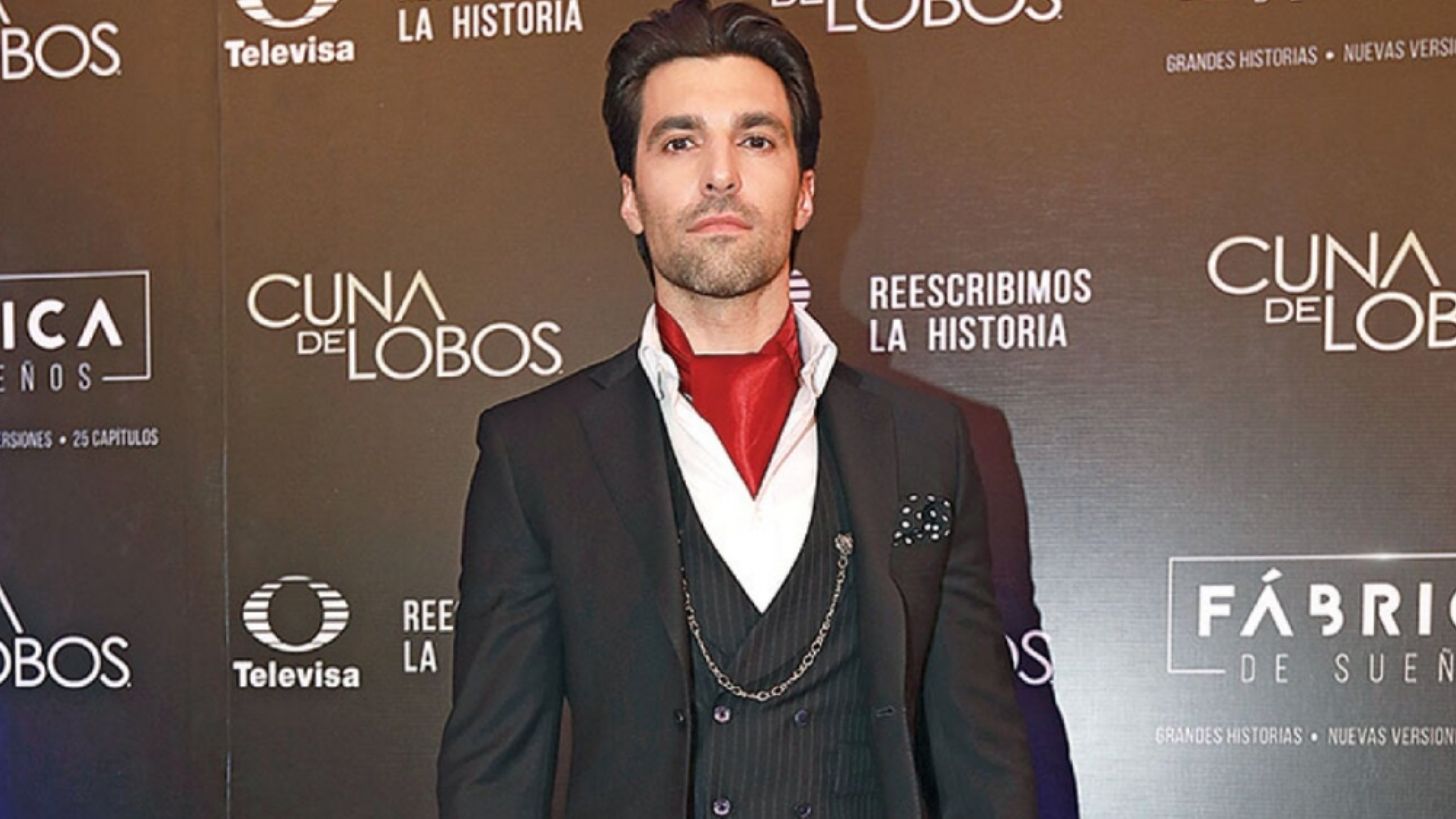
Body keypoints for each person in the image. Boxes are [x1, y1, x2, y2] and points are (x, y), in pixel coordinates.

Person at [437, 1, 1037, 816]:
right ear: (630, 195)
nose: (720, 174)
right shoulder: (536, 451)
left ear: (805, 192)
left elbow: (984, 762)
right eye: (680, 142)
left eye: (756, 140)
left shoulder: (926, 441)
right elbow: (492, 775)